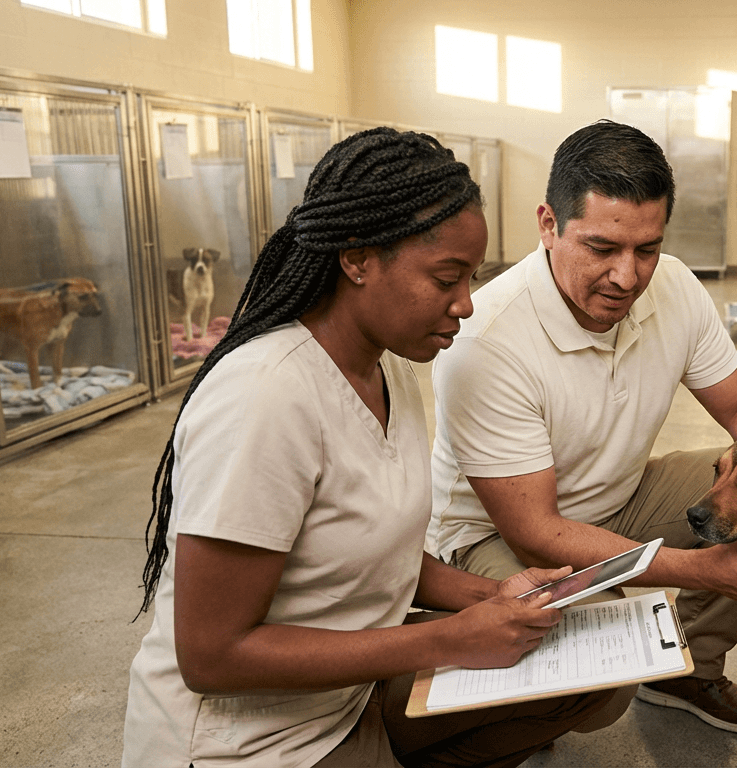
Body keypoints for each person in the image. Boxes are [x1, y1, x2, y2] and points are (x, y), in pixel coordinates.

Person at [123, 127, 612, 768]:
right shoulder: (266, 396)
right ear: (357, 259)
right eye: (445, 278)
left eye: (472, 277)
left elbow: (376, 554)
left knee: (595, 680)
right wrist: (446, 640)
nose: (466, 304)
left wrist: (492, 600)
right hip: (254, 745)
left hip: (348, 695)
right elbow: (212, 655)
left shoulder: (391, 368)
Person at [428, 120, 737, 733]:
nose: (627, 277)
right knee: (600, 672)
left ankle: (687, 673)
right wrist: (702, 569)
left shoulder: (674, 287)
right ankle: (508, 711)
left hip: (621, 495)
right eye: (602, 249)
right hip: (499, 537)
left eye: (647, 248)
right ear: (548, 225)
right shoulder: (488, 342)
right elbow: (536, 533)